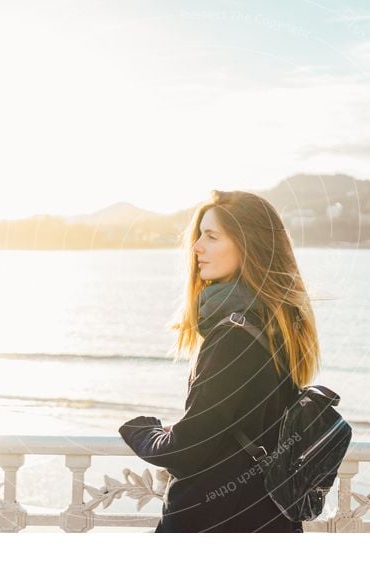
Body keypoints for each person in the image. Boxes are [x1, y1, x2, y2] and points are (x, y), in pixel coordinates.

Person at [118, 190, 321, 533]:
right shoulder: (279, 322)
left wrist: (140, 430)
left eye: (211, 237)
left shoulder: (234, 336)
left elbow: (185, 450)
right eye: (199, 235)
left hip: (217, 520)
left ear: (250, 245)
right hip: (266, 516)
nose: (196, 247)